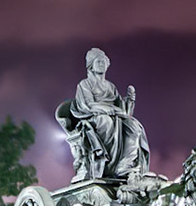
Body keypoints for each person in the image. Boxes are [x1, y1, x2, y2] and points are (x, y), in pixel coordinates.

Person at [58, 48, 151, 180]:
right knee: (105, 121)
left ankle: (125, 164)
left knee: (134, 126)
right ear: (91, 65)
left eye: (104, 61)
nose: (102, 64)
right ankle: (105, 163)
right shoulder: (84, 84)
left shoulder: (110, 86)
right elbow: (87, 105)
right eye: (98, 61)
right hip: (93, 117)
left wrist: (130, 100)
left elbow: (123, 110)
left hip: (114, 117)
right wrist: (105, 109)